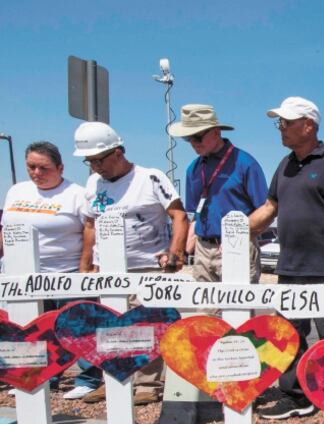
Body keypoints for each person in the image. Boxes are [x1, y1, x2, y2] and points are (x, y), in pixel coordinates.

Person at [248, 97, 324, 420]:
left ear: (308, 126)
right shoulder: (284, 166)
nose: (280, 128)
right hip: (289, 270)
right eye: (279, 122)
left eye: (286, 122)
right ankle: (296, 397)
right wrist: (239, 231)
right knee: (289, 336)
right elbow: (270, 210)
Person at [74, 122, 190, 404]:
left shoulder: (150, 178)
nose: (96, 166)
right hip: (108, 268)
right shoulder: (93, 184)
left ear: (119, 152)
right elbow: (90, 224)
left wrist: (175, 253)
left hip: (147, 265)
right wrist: (86, 264)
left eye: (99, 159)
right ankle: (114, 379)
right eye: (90, 161)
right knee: (110, 327)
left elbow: (178, 216)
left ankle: (147, 383)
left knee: (147, 326)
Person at [1, 141, 98, 396]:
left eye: (43, 168)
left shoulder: (75, 193)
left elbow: (89, 229)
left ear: (60, 167)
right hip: (24, 274)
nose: (36, 173)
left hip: (66, 272)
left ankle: (87, 379)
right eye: (31, 167)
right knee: (34, 328)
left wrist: (84, 266)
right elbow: (6, 228)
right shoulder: (16, 191)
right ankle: (41, 376)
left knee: (76, 326)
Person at [169, 104, 268, 284]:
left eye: (197, 137)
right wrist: (182, 249)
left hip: (238, 246)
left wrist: (240, 237)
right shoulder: (193, 169)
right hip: (203, 249)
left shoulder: (245, 164)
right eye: (188, 138)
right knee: (205, 310)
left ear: (216, 132)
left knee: (239, 308)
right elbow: (195, 216)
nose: (193, 143)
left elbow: (265, 210)